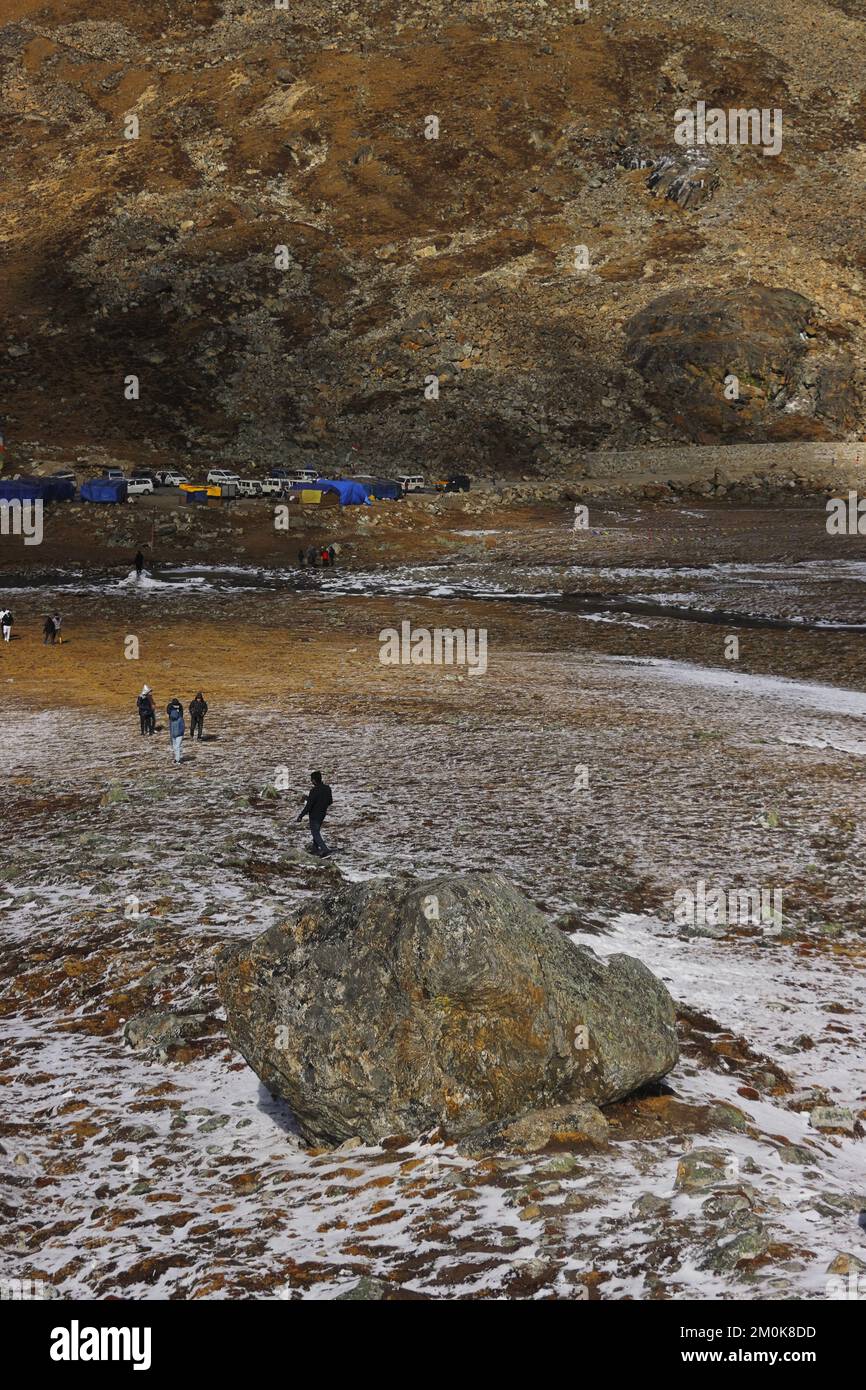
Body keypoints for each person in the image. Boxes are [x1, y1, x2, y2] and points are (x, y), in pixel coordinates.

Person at [296, 770, 333, 857]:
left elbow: (309, 806)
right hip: (322, 814)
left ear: (314, 780)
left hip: (314, 816)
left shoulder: (314, 791)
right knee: (316, 831)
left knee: (315, 833)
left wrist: (300, 816)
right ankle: (315, 849)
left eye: (311, 779)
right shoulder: (327, 788)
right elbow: (330, 801)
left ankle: (325, 849)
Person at [166, 697, 184, 764]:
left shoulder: (171, 720)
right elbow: (182, 727)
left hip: (174, 734)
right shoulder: (180, 718)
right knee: (177, 746)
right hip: (179, 734)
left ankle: (177, 759)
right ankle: (177, 759)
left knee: (175, 746)